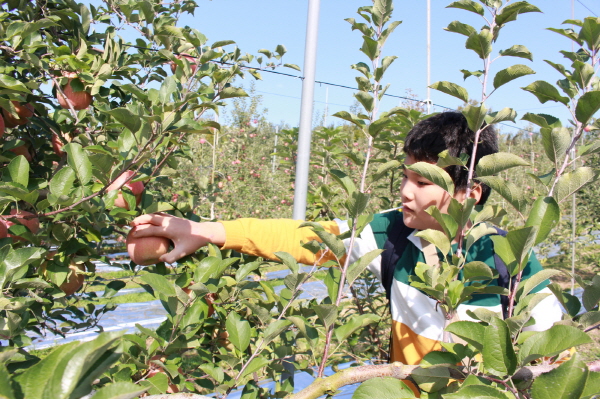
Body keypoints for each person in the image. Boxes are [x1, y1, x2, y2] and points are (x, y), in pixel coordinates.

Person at [130, 111, 562, 367]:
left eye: (423, 180)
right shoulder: (393, 234)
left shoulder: (509, 263)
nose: (406, 191)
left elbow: (552, 357)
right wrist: (206, 231)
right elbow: (306, 237)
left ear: (471, 192)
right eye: (405, 176)